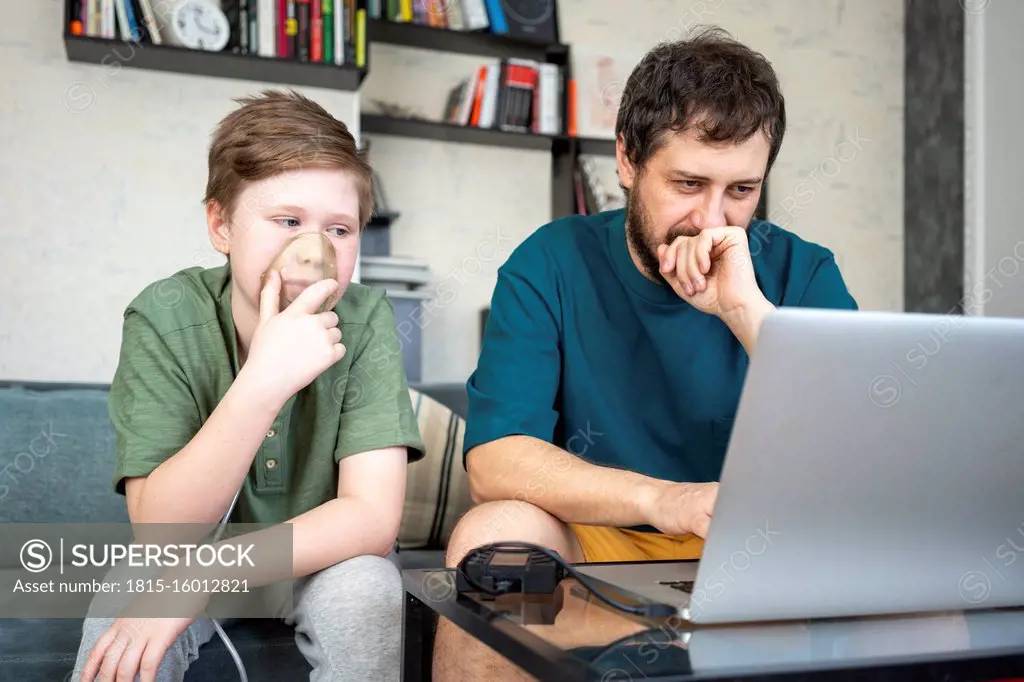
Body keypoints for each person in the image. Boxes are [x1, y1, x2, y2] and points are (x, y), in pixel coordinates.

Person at [433, 26, 858, 680]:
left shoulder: (802, 273)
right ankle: (681, 623)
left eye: (740, 191)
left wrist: (747, 315)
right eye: (688, 183)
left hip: (759, 553)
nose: (712, 221)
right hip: (597, 544)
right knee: (493, 541)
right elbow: (495, 461)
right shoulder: (550, 262)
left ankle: (685, 622)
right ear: (628, 160)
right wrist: (665, 500)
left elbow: (856, 448)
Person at [72, 89, 424, 682]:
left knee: (369, 592)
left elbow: (370, 518)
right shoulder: (163, 315)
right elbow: (162, 534)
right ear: (221, 225)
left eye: (338, 230)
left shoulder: (366, 320)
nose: (313, 251)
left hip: (318, 559)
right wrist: (261, 382)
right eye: (287, 221)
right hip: (178, 553)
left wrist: (204, 575)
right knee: (122, 618)